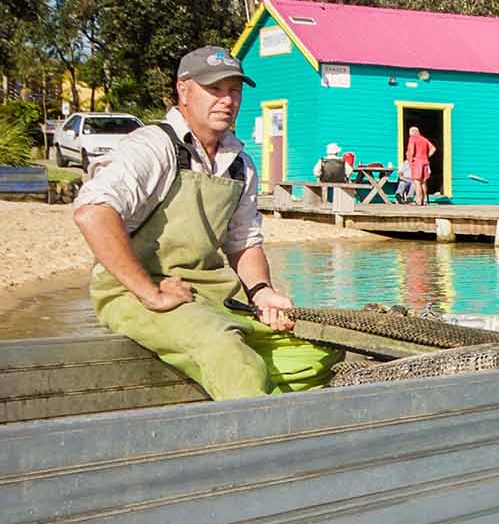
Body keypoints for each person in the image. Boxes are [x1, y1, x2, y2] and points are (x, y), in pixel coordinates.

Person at [71, 46, 338, 400]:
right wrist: (151, 293)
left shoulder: (241, 164)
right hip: (134, 292)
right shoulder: (153, 146)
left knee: (319, 349)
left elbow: (244, 243)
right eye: (215, 89)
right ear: (183, 90)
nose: (227, 100)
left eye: (234, 90)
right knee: (227, 351)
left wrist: (262, 292)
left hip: (209, 293)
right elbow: (92, 213)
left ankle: (238, 393)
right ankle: (270, 438)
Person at [404, 125, 436, 205]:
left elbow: (411, 149)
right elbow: (433, 148)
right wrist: (426, 156)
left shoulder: (412, 138)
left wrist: (410, 160)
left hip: (417, 162)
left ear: (412, 132)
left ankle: (418, 201)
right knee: (423, 182)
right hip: (425, 161)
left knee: (417, 182)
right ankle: (425, 200)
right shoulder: (424, 139)